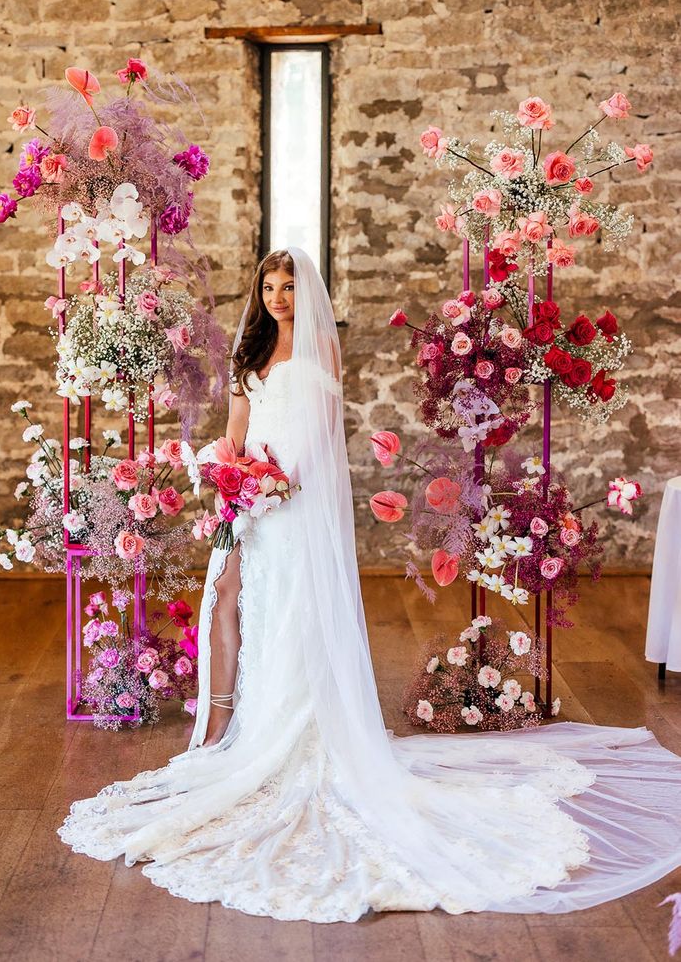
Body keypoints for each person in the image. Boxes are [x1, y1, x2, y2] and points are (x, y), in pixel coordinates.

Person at [59, 246, 681, 923]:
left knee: (290, 615)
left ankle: (288, 733)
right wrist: (228, 481)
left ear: (307, 293)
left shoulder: (320, 358)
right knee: (230, 607)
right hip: (248, 507)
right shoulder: (248, 361)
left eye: (289, 286)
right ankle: (222, 730)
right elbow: (236, 435)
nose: (277, 297)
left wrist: (278, 487)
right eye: (268, 286)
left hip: (292, 508)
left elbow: (322, 447)